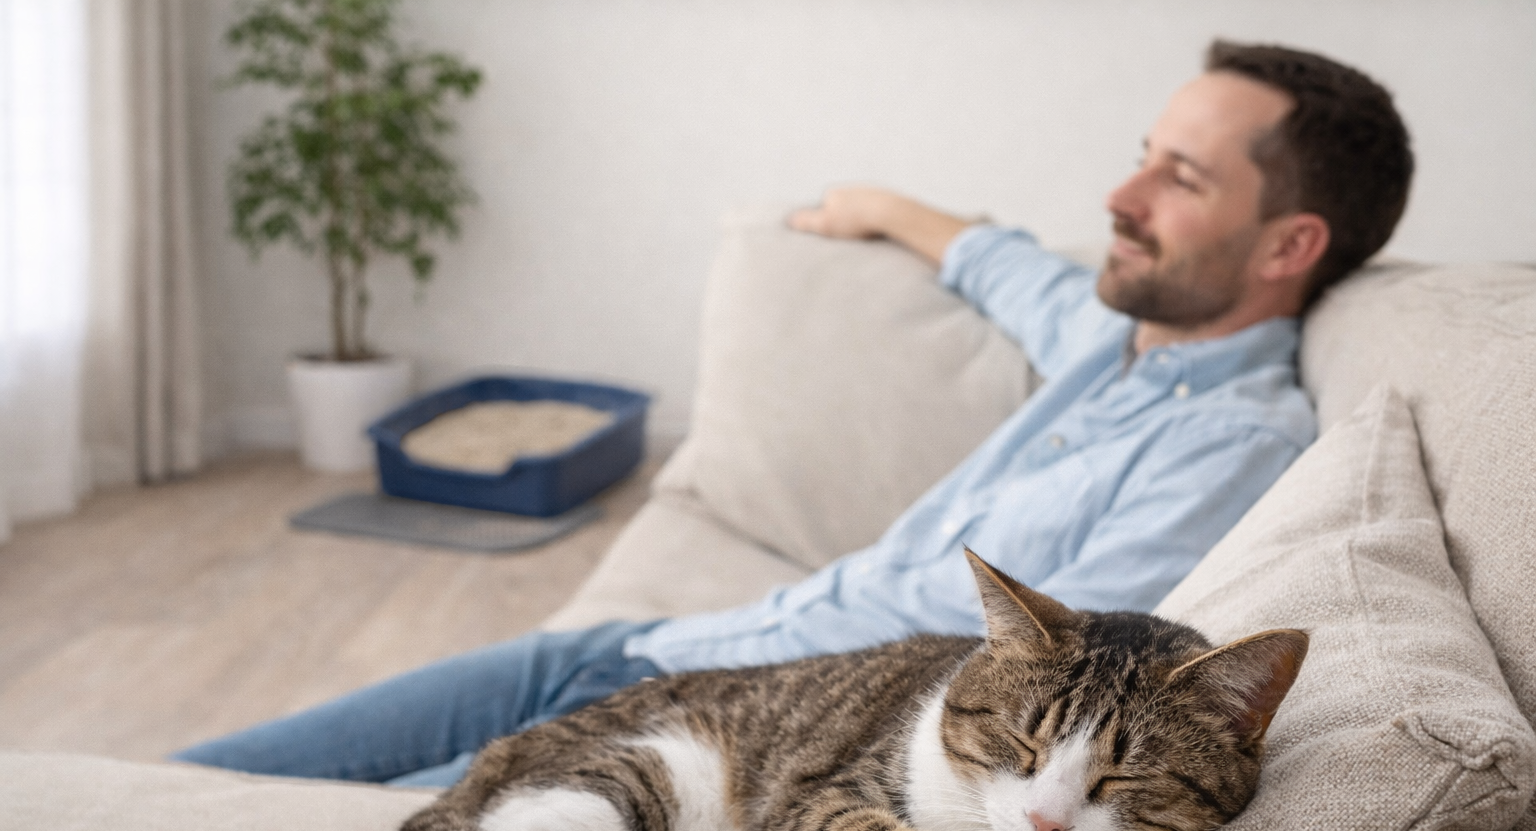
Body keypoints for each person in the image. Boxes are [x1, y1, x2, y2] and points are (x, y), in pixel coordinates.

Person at [175, 40, 1413, 787]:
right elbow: (998, 259)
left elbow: (1033, 688)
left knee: (320, 823)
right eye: (1144, 150)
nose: (1120, 192)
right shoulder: (1120, 336)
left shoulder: (1230, 446)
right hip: (656, 644)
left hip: (726, 712)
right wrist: (882, 204)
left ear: (1288, 244)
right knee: (213, 775)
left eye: (1178, 177)